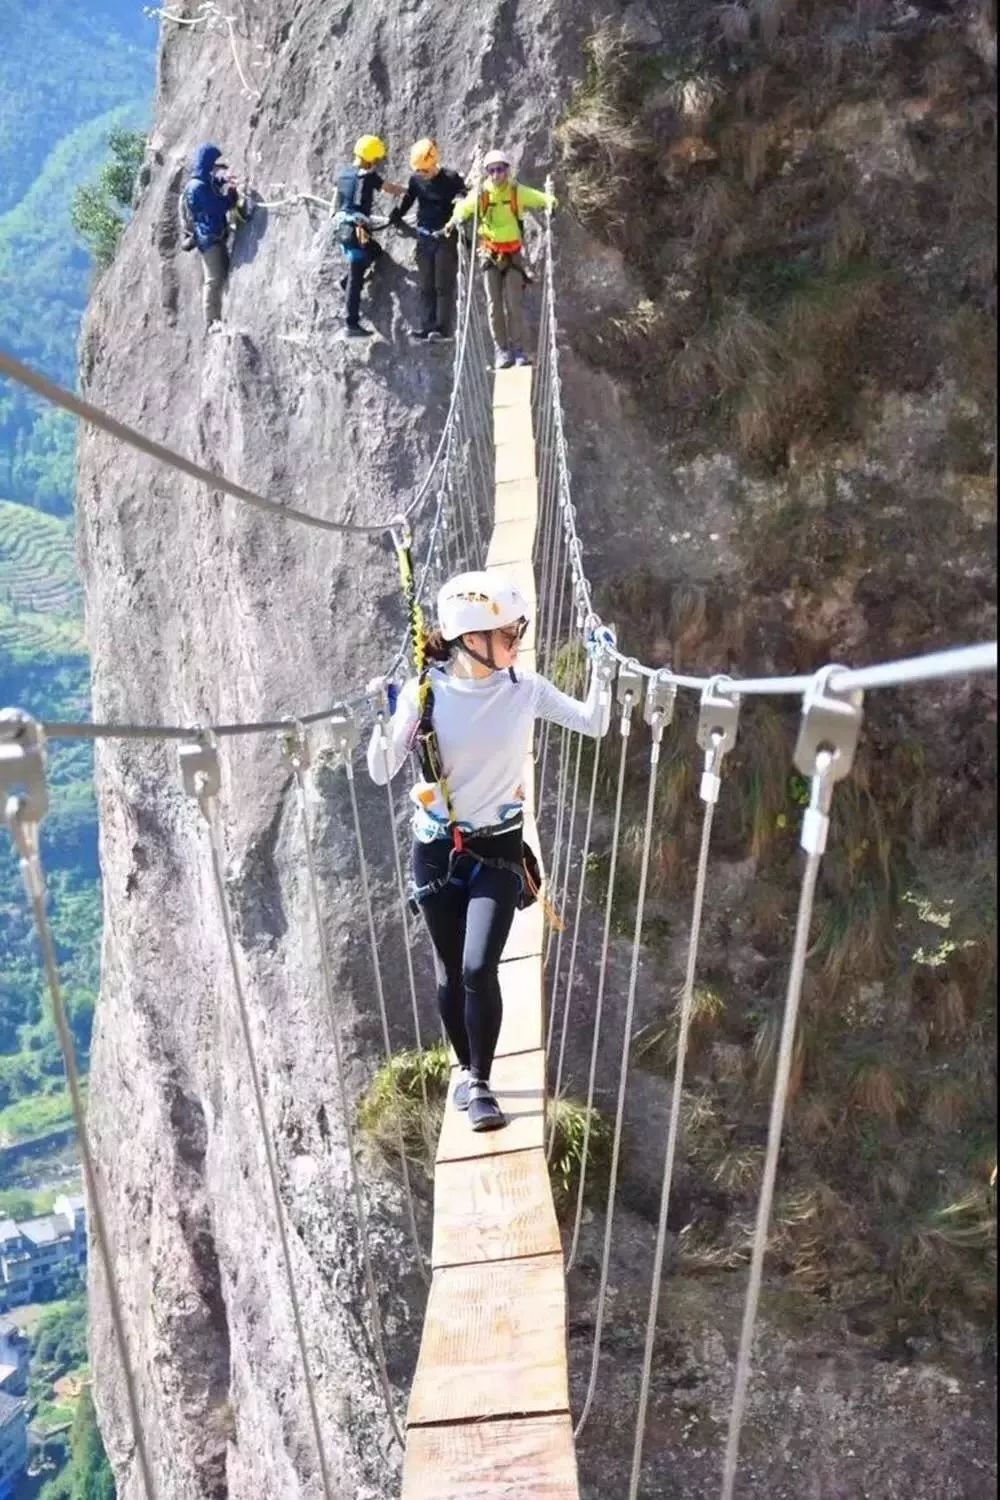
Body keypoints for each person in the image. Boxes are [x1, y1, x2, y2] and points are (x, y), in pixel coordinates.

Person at [366, 571, 610, 1132]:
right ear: (470, 639)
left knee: (479, 965)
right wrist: (385, 716)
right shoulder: (425, 694)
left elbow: (593, 723)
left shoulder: (525, 689)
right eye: (507, 633)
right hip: (436, 852)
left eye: (517, 630)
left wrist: (602, 665)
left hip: (498, 850)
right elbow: (382, 770)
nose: (518, 641)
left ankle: (479, 1082)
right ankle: (466, 1068)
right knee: (451, 971)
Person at [445, 148, 555, 369]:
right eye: (492, 170)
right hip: (490, 254)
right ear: (487, 172)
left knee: (514, 304)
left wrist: (552, 204)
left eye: (500, 170)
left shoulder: (516, 191)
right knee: (494, 305)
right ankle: (502, 351)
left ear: (507, 170)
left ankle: (519, 350)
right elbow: (463, 210)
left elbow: (542, 199)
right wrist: (452, 222)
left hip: (512, 255)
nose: (496, 175)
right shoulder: (481, 194)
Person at [388, 139, 467, 342]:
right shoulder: (416, 180)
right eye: (419, 171)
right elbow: (409, 198)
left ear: (433, 162)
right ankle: (427, 327)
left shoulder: (451, 178)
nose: (421, 174)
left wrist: (460, 199)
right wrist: (397, 214)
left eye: (424, 170)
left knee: (442, 284)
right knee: (426, 285)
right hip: (424, 237)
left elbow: (463, 194)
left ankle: (441, 330)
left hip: (445, 236)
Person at [332, 134, 404, 338]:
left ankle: (345, 283)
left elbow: (335, 199)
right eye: (376, 160)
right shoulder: (368, 176)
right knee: (357, 274)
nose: (377, 163)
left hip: (342, 228)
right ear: (371, 159)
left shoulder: (343, 174)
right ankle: (351, 324)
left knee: (374, 251)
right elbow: (390, 189)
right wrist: (411, 190)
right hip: (356, 229)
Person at [179, 144, 242, 329]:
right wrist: (231, 197)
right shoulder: (198, 187)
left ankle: (218, 316)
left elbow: (213, 183)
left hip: (212, 235)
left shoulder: (200, 182)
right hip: (208, 238)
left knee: (223, 273)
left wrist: (224, 180)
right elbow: (216, 207)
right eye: (214, 164)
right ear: (207, 164)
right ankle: (211, 320)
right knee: (214, 278)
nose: (216, 167)